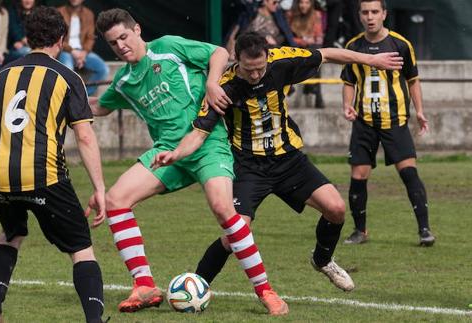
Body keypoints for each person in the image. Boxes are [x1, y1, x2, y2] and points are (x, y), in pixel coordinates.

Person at [150, 31, 403, 292]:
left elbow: (327, 53)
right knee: (235, 233)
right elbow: (199, 133)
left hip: (289, 160)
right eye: (249, 70)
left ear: (268, 57)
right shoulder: (224, 88)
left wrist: (370, 61)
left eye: (260, 68)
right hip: (249, 167)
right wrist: (176, 154)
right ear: (237, 61)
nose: (256, 75)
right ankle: (196, 286)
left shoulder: (282, 61)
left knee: (336, 209)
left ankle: (323, 260)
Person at [89, 8, 288, 316]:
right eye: (113, 43)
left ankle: (265, 291)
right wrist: (63, 98)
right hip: (168, 154)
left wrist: (211, 83)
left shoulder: (167, 48)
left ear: (137, 30)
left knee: (224, 209)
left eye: (124, 37)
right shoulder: (124, 81)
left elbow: (219, 53)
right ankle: (144, 285)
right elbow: (98, 108)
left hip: (207, 144)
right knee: (116, 200)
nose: (121, 46)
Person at [0, 6, 107, 323]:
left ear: (28, 37)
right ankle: (94, 320)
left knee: (9, 235)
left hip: (1, 177)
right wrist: (100, 188)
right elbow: (86, 138)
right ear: (60, 39)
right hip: (44, 176)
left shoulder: (0, 77)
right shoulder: (66, 77)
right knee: (81, 249)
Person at [340, 0, 435, 246]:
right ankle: (360, 231)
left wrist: (420, 111)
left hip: (395, 120)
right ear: (360, 15)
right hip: (364, 123)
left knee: (409, 173)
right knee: (358, 176)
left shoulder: (400, 44)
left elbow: (413, 79)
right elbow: (349, 81)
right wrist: (347, 105)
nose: (370, 17)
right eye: (365, 12)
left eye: (374, 12)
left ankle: (425, 230)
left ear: (384, 14)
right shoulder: (354, 46)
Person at [57, 0, 109, 96]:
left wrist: (84, 53)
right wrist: (72, 51)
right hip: (65, 50)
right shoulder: (60, 12)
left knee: (103, 69)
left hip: (82, 51)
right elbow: (57, 37)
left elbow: (90, 37)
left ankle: (83, 96)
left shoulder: (88, 14)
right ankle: (68, 99)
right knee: (68, 71)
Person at [225, 0, 296, 61]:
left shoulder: (278, 17)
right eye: (274, 2)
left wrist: (275, 40)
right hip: (250, 51)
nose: (277, 5)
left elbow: (285, 36)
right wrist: (264, 38)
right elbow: (241, 33)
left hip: (273, 53)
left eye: (278, 3)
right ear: (265, 2)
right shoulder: (251, 14)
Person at [287, 0, 325, 108]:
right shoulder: (291, 15)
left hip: (311, 47)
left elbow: (319, 36)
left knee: (317, 54)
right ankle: (313, 91)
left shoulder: (316, 14)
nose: (304, 5)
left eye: (307, 3)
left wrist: (310, 40)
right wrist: (301, 41)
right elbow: (288, 35)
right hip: (295, 46)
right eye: (301, 2)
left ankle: (316, 93)